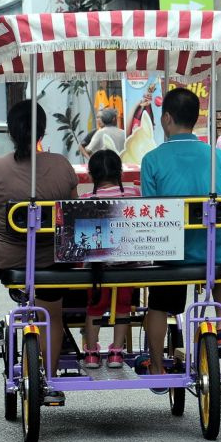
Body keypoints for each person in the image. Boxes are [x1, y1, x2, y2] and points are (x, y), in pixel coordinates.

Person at [0, 100, 78, 402]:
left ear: (11, 132)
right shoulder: (62, 165)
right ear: (43, 130)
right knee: (52, 315)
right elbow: (74, 205)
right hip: (53, 260)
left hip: (5, 255)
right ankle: (49, 382)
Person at [140, 87, 221, 391]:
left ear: (167, 118)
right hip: (216, 255)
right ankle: (220, 328)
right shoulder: (218, 157)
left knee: (158, 302)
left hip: (173, 255)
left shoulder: (152, 160)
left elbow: (151, 218)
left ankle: (157, 367)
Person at [79, 149, 141, 369]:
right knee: (123, 304)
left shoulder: (85, 199)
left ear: (91, 175)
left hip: (97, 265)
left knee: (95, 305)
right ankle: (116, 352)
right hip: (129, 263)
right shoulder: (134, 195)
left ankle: (92, 352)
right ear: (119, 173)